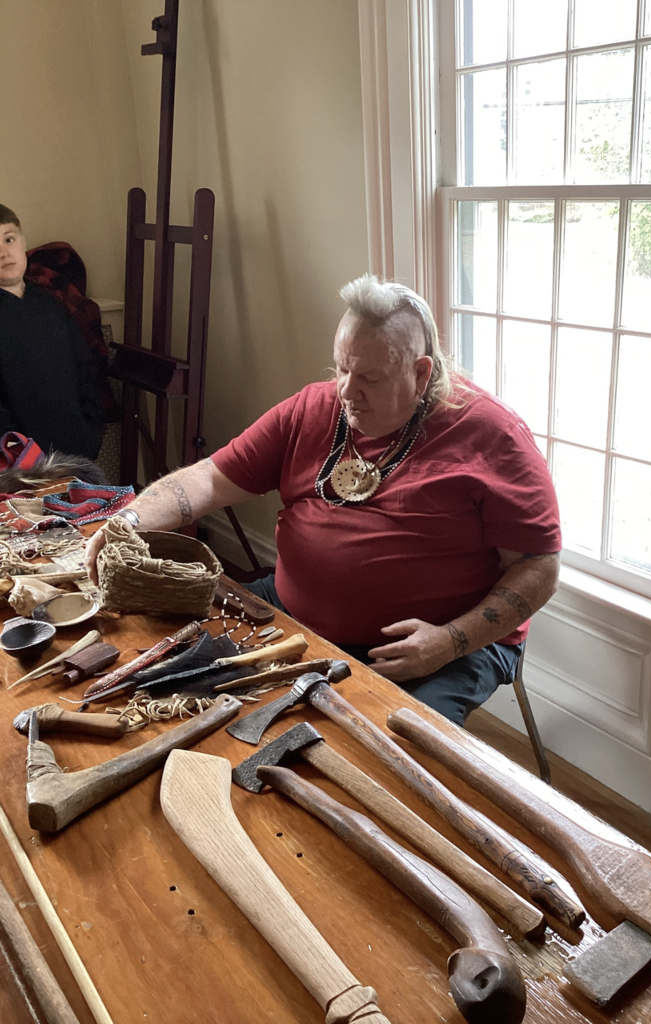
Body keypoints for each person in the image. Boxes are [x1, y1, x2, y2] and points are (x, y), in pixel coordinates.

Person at [86, 275, 561, 725]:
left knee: (391, 764)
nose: (347, 392)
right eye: (342, 367)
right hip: (293, 613)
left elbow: (540, 565)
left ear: (421, 374)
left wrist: (451, 641)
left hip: (435, 649)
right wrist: (129, 521)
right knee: (169, 685)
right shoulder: (314, 407)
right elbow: (210, 479)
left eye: (370, 378)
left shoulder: (492, 435)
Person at [0, 204, 104, 460]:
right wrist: (16, 455)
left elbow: (86, 368)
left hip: (77, 448)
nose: (3, 253)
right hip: (20, 464)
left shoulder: (51, 303)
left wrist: (91, 429)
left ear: (22, 241)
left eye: (9, 239)